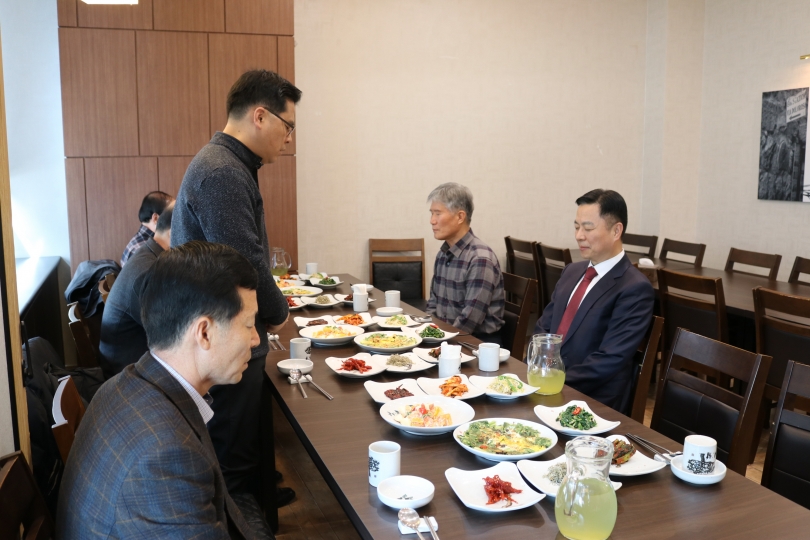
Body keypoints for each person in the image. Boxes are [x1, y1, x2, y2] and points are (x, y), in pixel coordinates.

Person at [57, 241, 262, 539]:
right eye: (249, 325)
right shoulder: (166, 457)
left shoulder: (124, 384)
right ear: (204, 332)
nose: (256, 340)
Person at [171, 69, 300, 509]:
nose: (289, 139)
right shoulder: (222, 171)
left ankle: (260, 503)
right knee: (233, 462)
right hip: (220, 340)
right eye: (288, 126)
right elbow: (246, 265)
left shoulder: (230, 163)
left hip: (227, 336)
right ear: (260, 117)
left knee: (248, 446)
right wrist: (281, 315)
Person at [534, 189, 654, 411]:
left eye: (588, 228)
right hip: (547, 385)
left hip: (592, 400)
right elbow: (544, 327)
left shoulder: (634, 288)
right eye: (577, 227)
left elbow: (610, 358)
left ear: (616, 230)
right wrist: (537, 369)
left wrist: (555, 381)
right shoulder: (572, 271)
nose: (579, 235)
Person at [98, 202, 174, 379]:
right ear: (174, 232)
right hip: (127, 378)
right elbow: (172, 334)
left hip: (134, 365)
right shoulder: (148, 272)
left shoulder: (150, 255)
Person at [425, 182, 505, 343]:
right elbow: (433, 303)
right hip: (448, 337)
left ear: (460, 217)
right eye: (431, 214)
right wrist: (428, 332)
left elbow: (470, 320)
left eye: (438, 214)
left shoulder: (480, 258)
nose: (432, 221)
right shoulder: (443, 253)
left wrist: (439, 342)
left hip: (477, 343)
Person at [121, 190, 174, 266]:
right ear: (155, 218)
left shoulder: (148, 243)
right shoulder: (140, 249)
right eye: (171, 214)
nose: (176, 220)